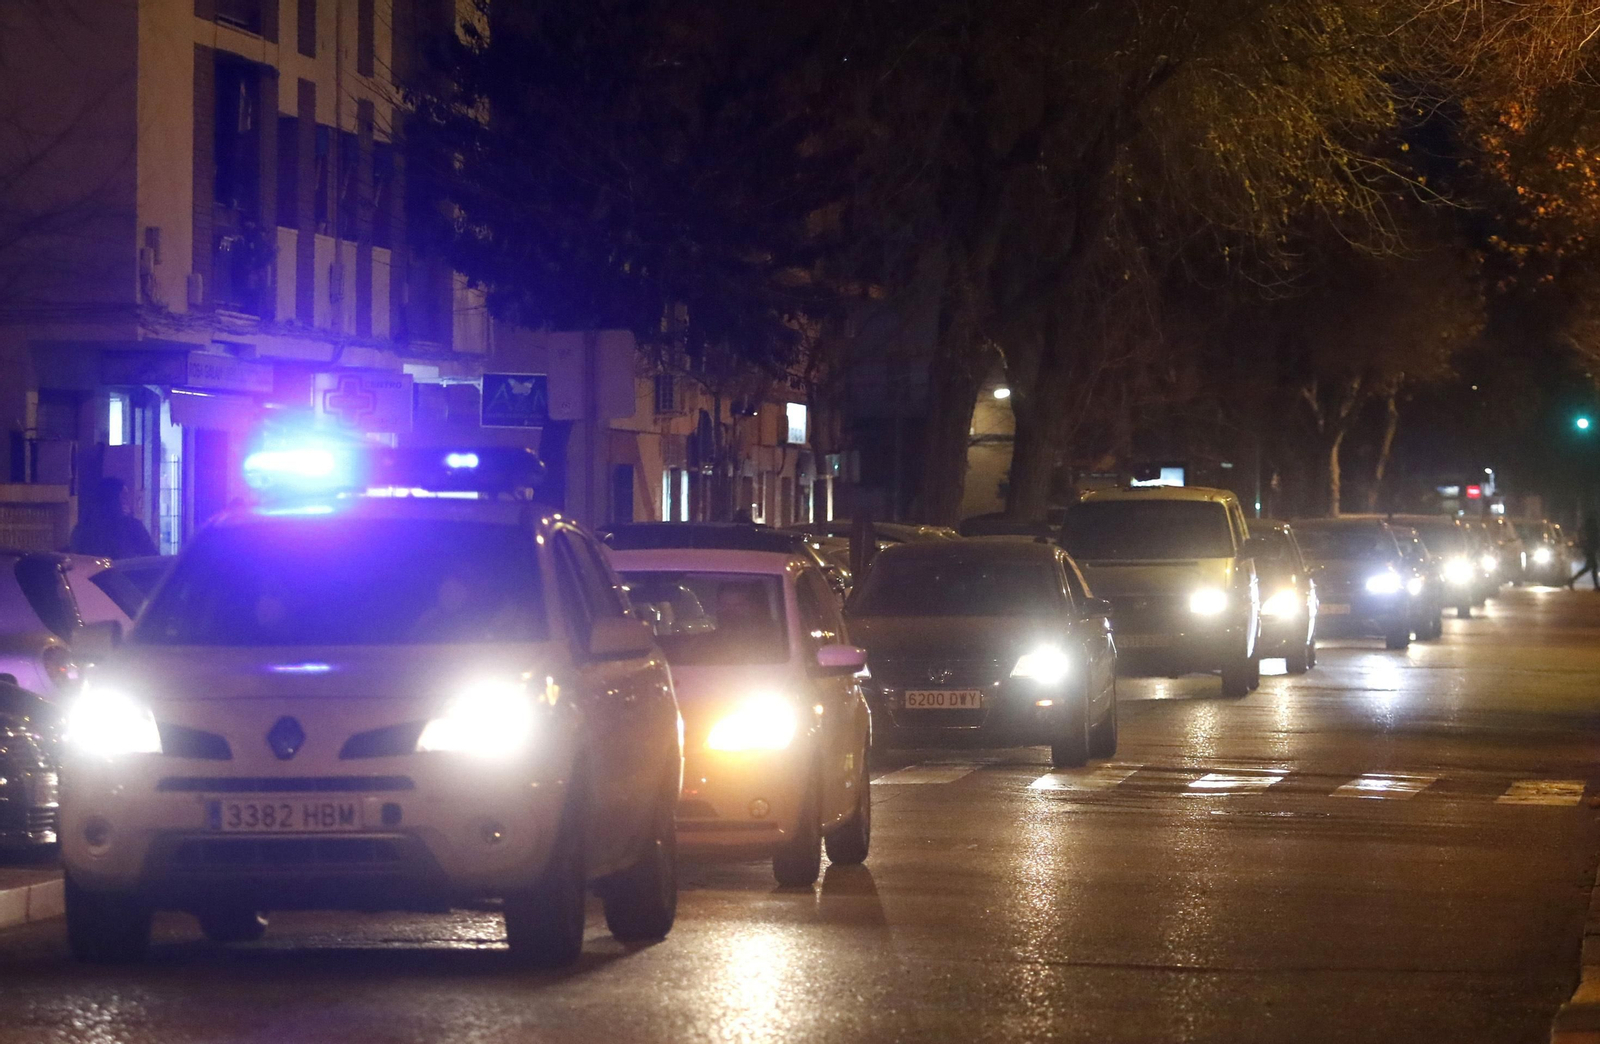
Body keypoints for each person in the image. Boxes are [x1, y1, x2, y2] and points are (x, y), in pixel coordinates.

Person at [69, 476, 159, 560]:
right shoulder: (133, 527)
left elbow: (152, 558)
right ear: (110, 500)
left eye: (126, 497)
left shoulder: (82, 528)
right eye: (123, 497)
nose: (127, 501)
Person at [1569, 514, 1600, 591]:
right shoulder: (1592, 529)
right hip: (1590, 550)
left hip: (1588, 549)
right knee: (1593, 567)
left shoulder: (1587, 529)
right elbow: (1593, 540)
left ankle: (1571, 580)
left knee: (1589, 567)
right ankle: (1596, 586)